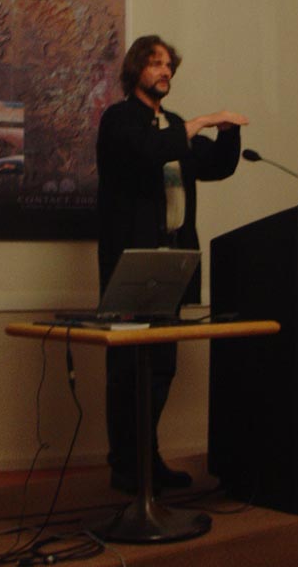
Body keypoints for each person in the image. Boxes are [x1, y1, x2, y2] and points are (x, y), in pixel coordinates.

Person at [96, 34, 249, 492]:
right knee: (129, 366)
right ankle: (126, 465)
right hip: (133, 260)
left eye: (169, 66)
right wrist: (200, 122)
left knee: (162, 365)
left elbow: (215, 166)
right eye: (156, 63)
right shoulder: (119, 120)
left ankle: (148, 458)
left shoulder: (175, 125)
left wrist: (228, 133)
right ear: (135, 71)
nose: (165, 71)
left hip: (175, 259)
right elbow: (148, 151)